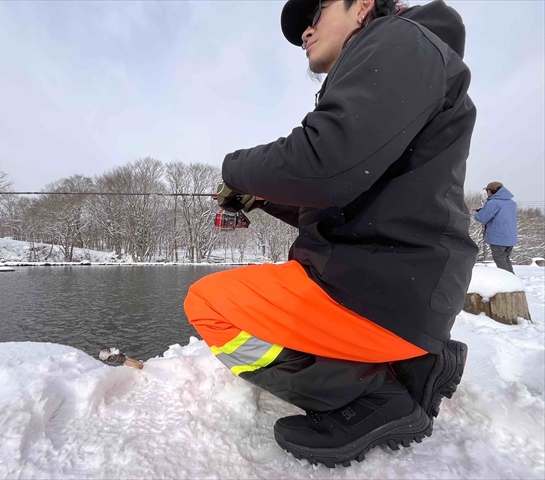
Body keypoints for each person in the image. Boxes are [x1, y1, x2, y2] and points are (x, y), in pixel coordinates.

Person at [184, 0, 476, 467]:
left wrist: (232, 168)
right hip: (399, 293)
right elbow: (347, 195)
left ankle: (372, 397)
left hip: (379, 296)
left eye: (315, 13)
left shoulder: (398, 40)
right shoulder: (407, 57)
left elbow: (324, 164)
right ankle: (413, 364)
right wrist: (263, 197)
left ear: (362, 5)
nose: (305, 31)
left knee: (209, 305)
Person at [474, 181, 518, 273]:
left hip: (498, 236)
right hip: (510, 235)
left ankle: (507, 279)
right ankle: (512, 277)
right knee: (505, 257)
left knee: (499, 258)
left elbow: (482, 218)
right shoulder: (511, 202)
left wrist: (479, 213)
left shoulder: (493, 202)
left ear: (489, 191)